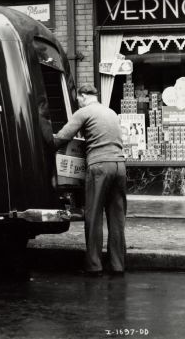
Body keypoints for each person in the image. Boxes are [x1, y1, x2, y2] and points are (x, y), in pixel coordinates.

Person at [54, 84, 127, 277]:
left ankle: (94, 266)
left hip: (99, 166)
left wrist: (45, 144)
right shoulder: (111, 112)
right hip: (120, 166)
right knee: (116, 219)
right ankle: (117, 266)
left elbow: (62, 137)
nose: (78, 101)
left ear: (83, 96)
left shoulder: (84, 112)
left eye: (78, 98)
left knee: (93, 216)